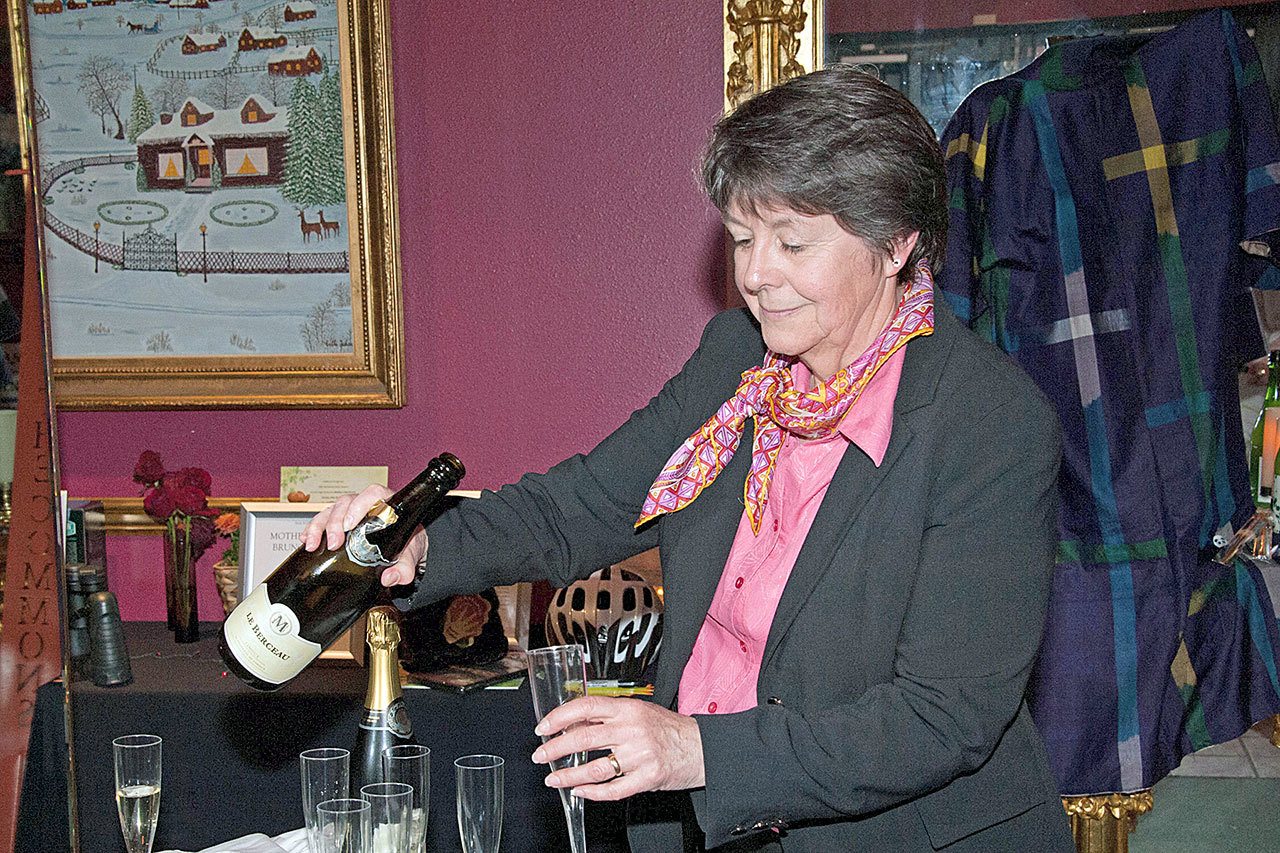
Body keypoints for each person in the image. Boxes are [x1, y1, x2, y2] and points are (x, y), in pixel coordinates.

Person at [304, 65, 1073, 852]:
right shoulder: (736, 360)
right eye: (742, 238)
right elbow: (584, 504)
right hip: (713, 825)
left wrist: (695, 749)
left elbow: (941, 716)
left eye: (792, 241)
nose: (754, 274)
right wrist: (422, 541)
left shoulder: (989, 422)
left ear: (895, 244)